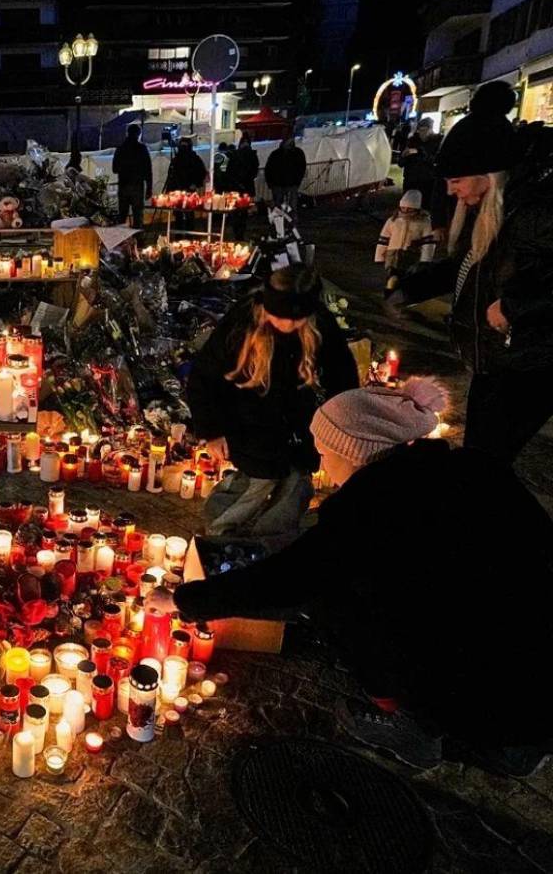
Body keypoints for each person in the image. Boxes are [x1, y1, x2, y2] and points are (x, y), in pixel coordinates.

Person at [168, 378, 553, 775]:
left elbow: (287, 580)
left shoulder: (370, 508)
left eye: (323, 452)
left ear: (350, 450)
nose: (321, 464)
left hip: (494, 696)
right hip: (540, 657)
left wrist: (183, 601)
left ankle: (417, 729)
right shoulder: (473, 467)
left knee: (332, 600)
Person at [399, 80, 553, 465]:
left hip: (529, 365)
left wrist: (514, 305)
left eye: (456, 181)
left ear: (489, 173)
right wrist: (411, 287)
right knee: (480, 458)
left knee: (483, 462)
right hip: (494, 359)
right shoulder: (487, 212)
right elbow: (468, 267)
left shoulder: (533, 214)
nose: (451, 191)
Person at [186, 265, 359, 537]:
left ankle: (269, 541)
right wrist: (211, 430)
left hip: (300, 427)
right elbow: (205, 376)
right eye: (279, 317)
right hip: (249, 423)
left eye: (296, 320)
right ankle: (218, 536)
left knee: (294, 487)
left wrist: (340, 432)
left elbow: (343, 377)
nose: (287, 326)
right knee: (255, 484)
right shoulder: (242, 323)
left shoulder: (321, 325)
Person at [374, 189, 436, 295]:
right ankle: (390, 295)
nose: (405, 211)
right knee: (392, 278)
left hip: (411, 255)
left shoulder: (424, 223)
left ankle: (404, 295)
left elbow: (428, 243)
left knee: (408, 278)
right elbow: (384, 239)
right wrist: (379, 256)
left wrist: (425, 260)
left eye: (409, 208)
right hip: (393, 255)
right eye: (403, 208)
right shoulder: (392, 221)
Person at [112, 122, 153, 227]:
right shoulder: (142, 149)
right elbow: (148, 170)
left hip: (123, 186)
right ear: (139, 134)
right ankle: (137, 236)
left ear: (127, 133)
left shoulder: (120, 149)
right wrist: (149, 188)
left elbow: (114, 169)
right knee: (138, 217)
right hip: (137, 186)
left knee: (122, 216)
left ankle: (121, 236)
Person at [400, 117, 441, 210]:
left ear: (431, 129)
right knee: (407, 208)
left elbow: (437, 161)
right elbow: (401, 163)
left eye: (425, 130)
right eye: (420, 130)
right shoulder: (412, 141)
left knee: (425, 208)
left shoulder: (437, 141)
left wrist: (421, 153)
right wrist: (403, 156)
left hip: (427, 182)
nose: (422, 133)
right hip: (411, 182)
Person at [228, 135, 260, 240]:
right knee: (240, 211)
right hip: (242, 186)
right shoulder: (249, 155)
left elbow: (231, 170)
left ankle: (239, 232)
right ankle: (239, 232)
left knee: (240, 211)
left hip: (240, 186)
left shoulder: (239, 155)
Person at [264, 135, 307, 212]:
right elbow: (269, 169)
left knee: (289, 206)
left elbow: (301, 168)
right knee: (282, 206)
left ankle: (289, 218)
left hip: (288, 184)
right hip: (281, 184)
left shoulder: (277, 154)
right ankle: (285, 218)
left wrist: (297, 181)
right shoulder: (277, 154)